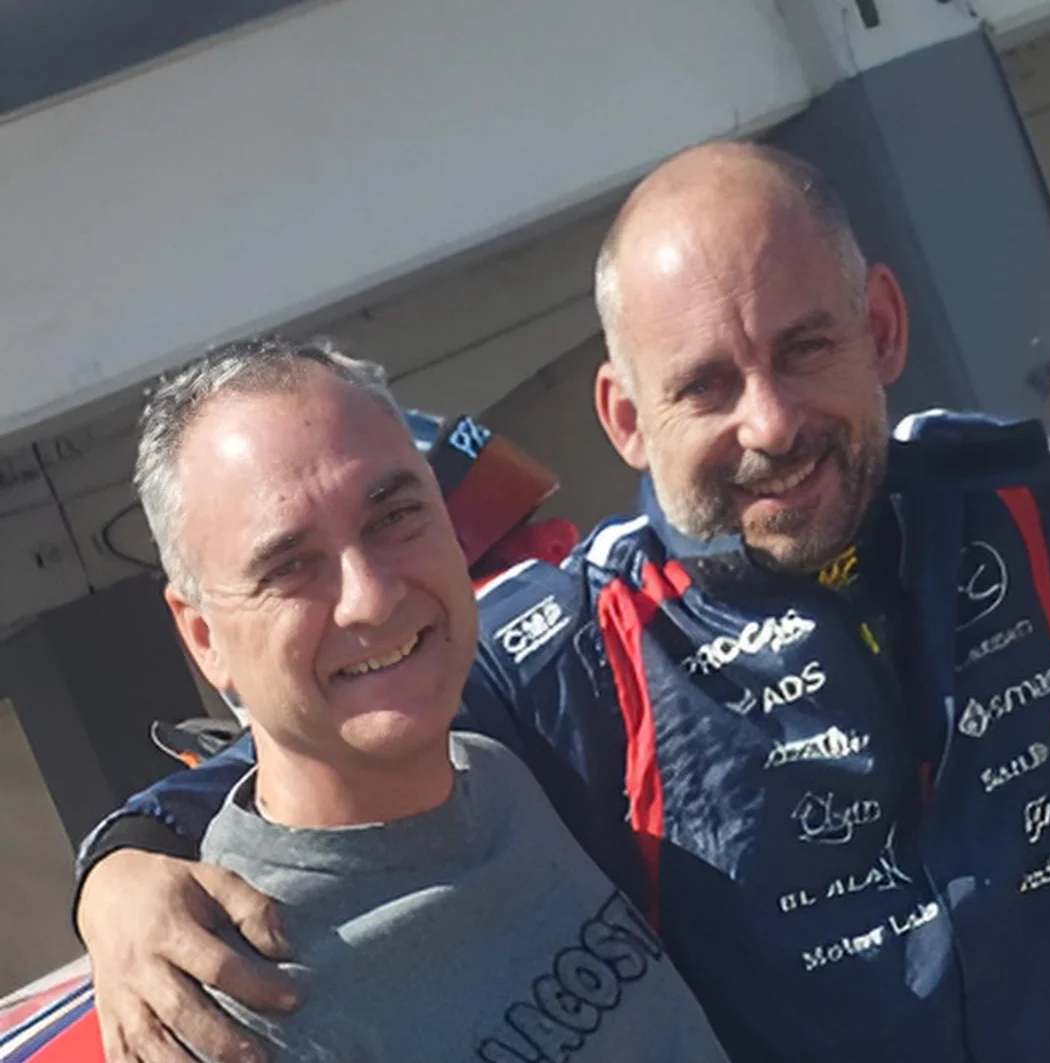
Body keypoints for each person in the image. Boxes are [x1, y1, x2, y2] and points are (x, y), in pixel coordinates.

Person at [73, 142, 1050, 1063]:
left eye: (804, 350)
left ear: (881, 325)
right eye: (703, 385)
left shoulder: (1024, 495)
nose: (769, 421)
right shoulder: (566, 652)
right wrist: (119, 869)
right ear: (623, 416)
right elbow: (328, 718)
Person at [129, 339, 726, 1062]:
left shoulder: (495, 777)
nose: (371, 598)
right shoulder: (224, 1004)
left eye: (393, 517)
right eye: (290, 565)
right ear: (203, 637)